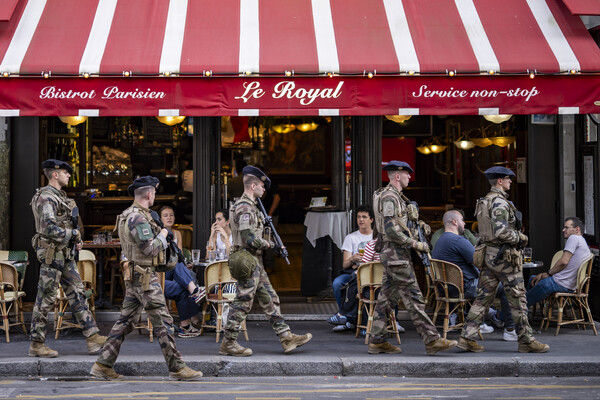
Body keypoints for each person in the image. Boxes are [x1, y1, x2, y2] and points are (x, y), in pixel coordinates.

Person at [91, 176, 202, 381]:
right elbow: (149, 249)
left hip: (136, 276)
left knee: (125, 322)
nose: (154, 196)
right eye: (154, 193)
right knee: (164, 321)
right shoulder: (137, 218)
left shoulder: (129, 214)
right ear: (149, 194)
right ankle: (177, 367)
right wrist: (163, 234)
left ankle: (103, 364)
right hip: (144, 277)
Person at [220, 166, 312, 356]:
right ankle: (228, 343)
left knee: (270, 298)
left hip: (254, 261)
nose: (264, 189)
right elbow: (249, 239)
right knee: (243, 301)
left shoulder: (252, 206)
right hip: (247, 259)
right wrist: (270, 245)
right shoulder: (245, 207)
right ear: (253, 186)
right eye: (262, 186)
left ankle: (286, 337)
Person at [457, 166, 549, 354]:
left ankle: (467, 338)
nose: (510, 181)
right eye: (508, 179)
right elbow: (501, 232)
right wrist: (520, 237)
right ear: (500, 181)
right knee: (518, 298)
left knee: (482, 299)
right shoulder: (499, 203)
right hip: (504, 258)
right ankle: (526, 340)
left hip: (489, 257)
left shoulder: (484, 201)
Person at [369, 160, 457, 355]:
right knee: (414, 297)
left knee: (385, 298)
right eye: (408, 174)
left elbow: (399, 224)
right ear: (398, 176)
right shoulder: (391, 197)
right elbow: (391, 231)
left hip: (392, 254)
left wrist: (420, 225)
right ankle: (432, 339)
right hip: (396, 254)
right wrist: (416, 244)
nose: (410, 177)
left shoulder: (395, 197)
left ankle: (377, 340)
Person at [29, 159, 107, 358]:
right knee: (45, 298)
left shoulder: (59, 197)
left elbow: (66, 226)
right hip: (52, 254)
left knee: (77, 293)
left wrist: (75, 239)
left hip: (64, 254)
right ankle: (36, 344)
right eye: (66, 172)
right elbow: (49, 228)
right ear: (55, 174)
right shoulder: (46, 197)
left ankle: (92, 336)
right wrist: (72, 235)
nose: (69, 176)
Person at [432, 210, 517, 341]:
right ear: (455, 222)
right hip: (465, 287)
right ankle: (510, 330)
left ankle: (483, 320)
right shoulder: (458, 241)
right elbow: (482, 263)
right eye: (462, 220)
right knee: (508, 286)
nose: (464, 223)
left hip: (447, 288)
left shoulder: (441, 240)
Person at [159, 205, 206, 338]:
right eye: (166, 215)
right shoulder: (158, 235)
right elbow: (168, 259)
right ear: (160, 219)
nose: (169, 217)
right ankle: (195, 302)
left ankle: (185, 326)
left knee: (184, 282)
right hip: (161, 275)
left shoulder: (176, 233)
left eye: (171, 215)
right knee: (182, 270)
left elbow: (179, 255)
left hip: (172, 273)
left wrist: (186, 265)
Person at [526, 217, 591, 307]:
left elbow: (563, 262)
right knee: (532, 279)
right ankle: (523, 311)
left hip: (561, 283)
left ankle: (506, 315)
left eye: (566, 227)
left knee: (533, 288)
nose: (563, 230)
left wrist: (547, 273)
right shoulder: (582, 241)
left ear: (577, 229)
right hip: (570, 285)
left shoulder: (574, 238)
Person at [327, 205, 374, 326]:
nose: (361, 220)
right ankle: (345, 318)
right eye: (359, 217)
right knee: (337, 283)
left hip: (371, 273)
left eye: (364, 217)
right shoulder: (351, 237)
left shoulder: (376, 237)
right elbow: (345, 265)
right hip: (353, 272)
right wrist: (352, 258)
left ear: (371, 220)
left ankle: (345, 315)